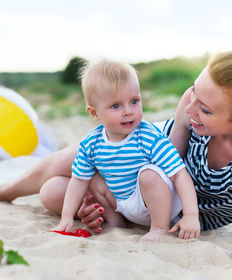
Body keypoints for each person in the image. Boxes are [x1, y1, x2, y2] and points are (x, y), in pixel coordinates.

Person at [0, 49, 232, 260]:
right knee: (68, 166)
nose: (188, 107)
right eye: (194, 90)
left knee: (53, 191)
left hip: (168, 207)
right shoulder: (189, 107)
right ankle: (8, 191)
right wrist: (104, 187)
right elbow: (163, 167)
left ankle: (111, 215)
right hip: (144, 172)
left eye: (205, 109)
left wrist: (106, 197)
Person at [53, 59, 200, 242]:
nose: (128, 111)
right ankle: (116, 223)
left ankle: (159, 228)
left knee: (149, 175)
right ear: (94, 113)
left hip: (156, 203)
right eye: (116, 106)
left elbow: (179, 174)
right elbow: (77, 181)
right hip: (122, 203)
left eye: (134, 101)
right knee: (89, 177)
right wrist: (67, 216)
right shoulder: (91, 143)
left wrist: (191, 215)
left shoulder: (148, 137)